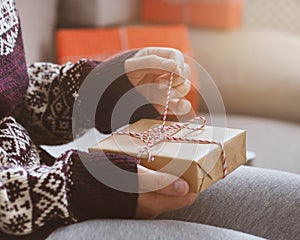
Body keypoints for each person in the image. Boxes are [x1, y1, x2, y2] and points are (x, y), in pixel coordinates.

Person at [0, 1, 299, 240]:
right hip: (33, 218)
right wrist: (69, 189)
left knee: (293, 205)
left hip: (45, 176)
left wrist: (106, 89)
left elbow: (12, 98)